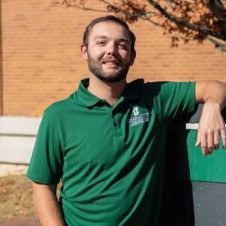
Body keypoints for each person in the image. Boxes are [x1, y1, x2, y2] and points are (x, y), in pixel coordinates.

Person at [27, 15, 226, 226]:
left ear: (132, 56)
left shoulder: (154, 99)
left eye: (122, 45)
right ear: (84, 51)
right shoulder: (58, 116)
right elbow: (42, 186)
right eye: (101, 43)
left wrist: (213, 106)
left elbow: (216, 87)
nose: (111, 50)